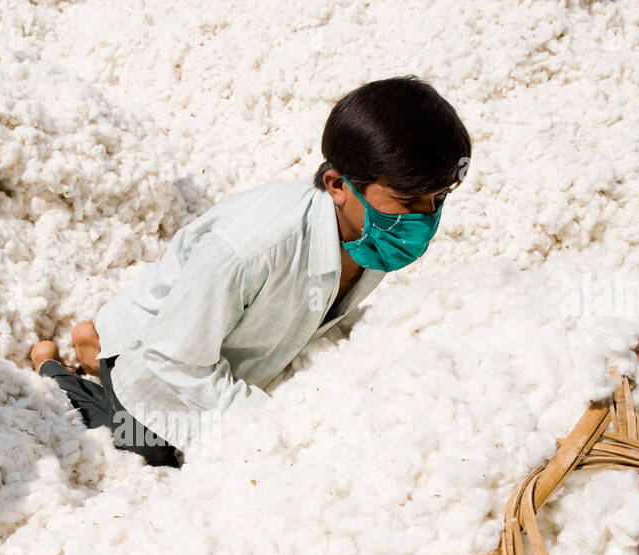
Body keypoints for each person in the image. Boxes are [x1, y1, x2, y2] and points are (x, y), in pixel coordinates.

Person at [30, 76, 471, 468]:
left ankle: (99, 342)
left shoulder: (372, 233)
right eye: (409, 202)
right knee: (143, 448)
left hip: (222, 347)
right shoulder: (249, 250)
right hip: (159, 357)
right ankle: (60, 368)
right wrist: (270, 431)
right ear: (338, 185)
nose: (425, 217)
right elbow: (174, 361)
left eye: (437, 199)